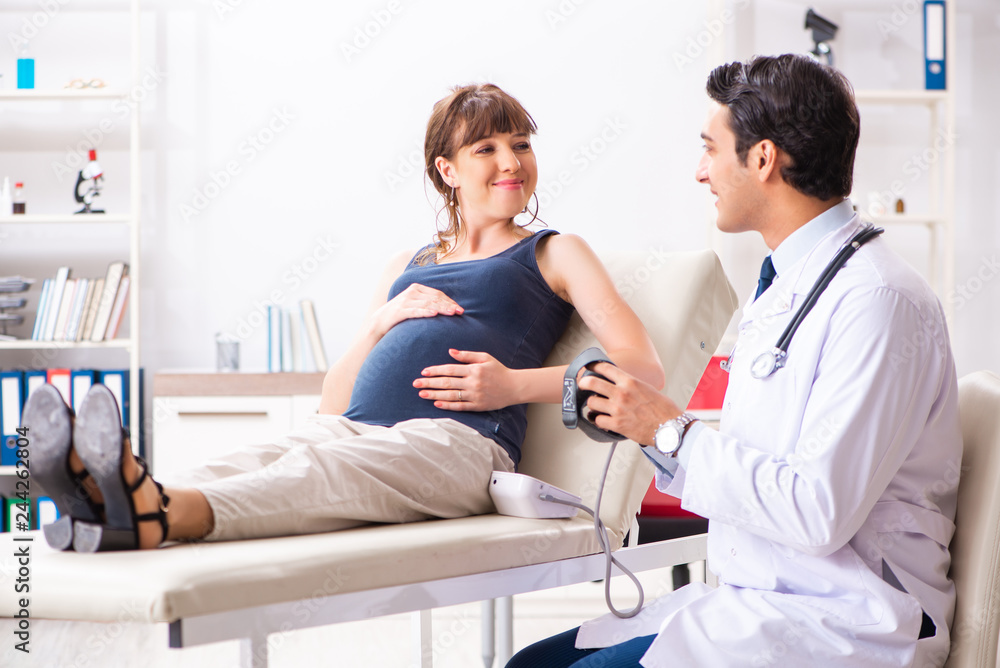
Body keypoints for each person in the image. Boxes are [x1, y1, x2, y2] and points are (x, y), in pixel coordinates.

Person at [24, 83, 664, 553]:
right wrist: (379, 323)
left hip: (458, 447)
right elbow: (334, 401)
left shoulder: (554, 250)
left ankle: (158, 515)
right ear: (447, 170)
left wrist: (512, 386)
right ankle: (105, 498)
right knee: (257, 457)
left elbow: (642, 368)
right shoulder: (405, 262)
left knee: (316, 475)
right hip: (351, 429)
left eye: (521, 144)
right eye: (487, 148)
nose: (512, 162)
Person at [508, 54, 961, 668]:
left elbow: (816, 512)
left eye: (711, 149)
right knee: (530, 663)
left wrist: (670, 430)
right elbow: (765, 458)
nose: (701, 172)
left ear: (764, 158)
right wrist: (647, 430)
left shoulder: (877, 301)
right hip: (765, 599)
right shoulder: (789, 284)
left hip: (850, 618)